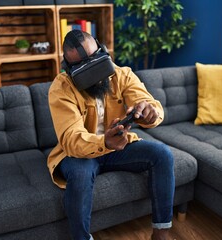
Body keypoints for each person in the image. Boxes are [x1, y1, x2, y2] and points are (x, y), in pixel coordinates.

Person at [48, 29, 175, 240]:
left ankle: (160, 234)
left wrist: (150, 114)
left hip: (118, 146)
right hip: (80, 153)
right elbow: (71, 138)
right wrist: (104, 141)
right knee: (79, 174)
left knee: (162, 154)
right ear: (68, 69)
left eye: (96, 60)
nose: (94, 73)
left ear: (103, 50)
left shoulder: (121, 74)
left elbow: (148, 102)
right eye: (82, 67)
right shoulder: (61, 88)